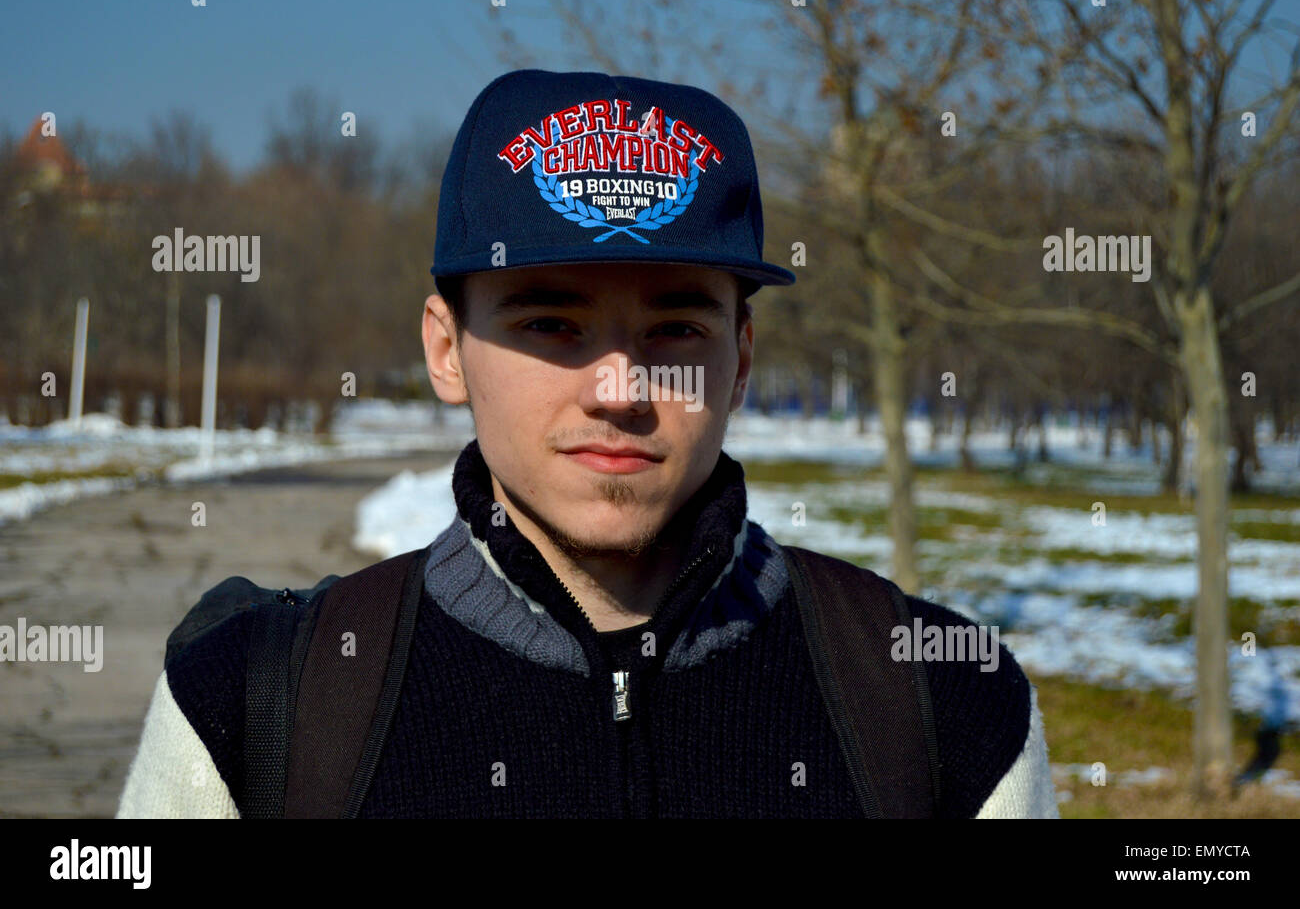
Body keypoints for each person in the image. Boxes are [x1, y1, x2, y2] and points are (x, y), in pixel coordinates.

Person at [117, 68, 1058, 818]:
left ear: (739, 360)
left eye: (676, 329)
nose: (619, 391)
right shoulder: (255, 706)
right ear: (447, 350)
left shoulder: (943, 703)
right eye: (552, 327)